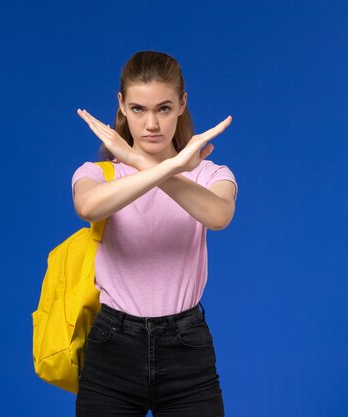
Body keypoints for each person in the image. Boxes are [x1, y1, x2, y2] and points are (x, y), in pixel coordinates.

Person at [71, 50, 237, 417]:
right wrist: (158, 165)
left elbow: (219, 215)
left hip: (186, 347)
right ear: (121, 105)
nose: (150, 124)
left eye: (163, 109)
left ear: (182, 104)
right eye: (137, 109)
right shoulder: (98, 173)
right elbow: (88, 207)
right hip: (112, 345)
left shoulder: (210, 174)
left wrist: (148, 163)